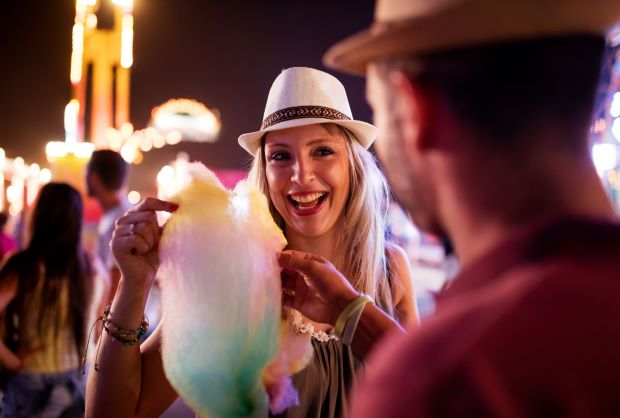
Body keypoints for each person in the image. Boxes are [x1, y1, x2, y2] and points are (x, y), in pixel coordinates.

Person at [278, 0, 620, 416]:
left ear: (413, 109)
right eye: (281, 156)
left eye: (378, 106)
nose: (302, 174)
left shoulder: (443, 383)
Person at [85, 66, 418, 418]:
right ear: (265, 170)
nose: (301, 175)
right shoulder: (233, 273)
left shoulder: (390, 271)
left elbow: (430, 396)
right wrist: (134, 286)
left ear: (354, 166)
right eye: (280, 155)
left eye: (322, 151)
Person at [0, 183, 108, 417]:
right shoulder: (94, 269)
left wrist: (11, 361)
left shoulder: (24, 266)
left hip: (33, 377)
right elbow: (98, 332)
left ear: (39, 216)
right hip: (81, 378)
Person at [86, 149, 132, 299]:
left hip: (118, 320)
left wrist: (104, 321)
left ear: (94, 177)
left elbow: (119, 279)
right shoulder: (115, 215)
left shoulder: (123, 219)